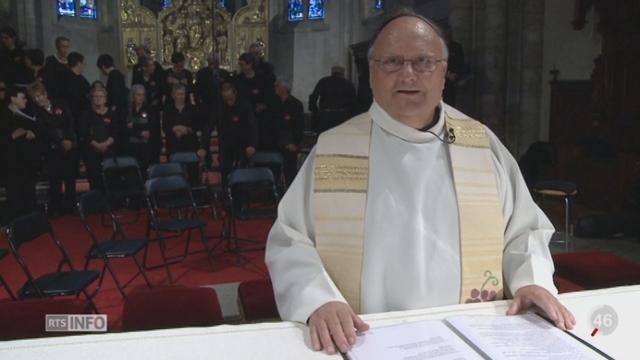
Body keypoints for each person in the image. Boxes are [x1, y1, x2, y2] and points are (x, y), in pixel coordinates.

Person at [265, 12, 575, 355]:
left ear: (443, 72)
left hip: (468, 335)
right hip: (365, 337)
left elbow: (522, 230)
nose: (407, 74)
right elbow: (290, 240)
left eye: (424, 62)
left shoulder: (482, 146)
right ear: (371, 73)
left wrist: (530, 279)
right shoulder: (334, 150)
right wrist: (318, 300)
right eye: (392, 61)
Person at [27, 81, 78, 216]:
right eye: (35, 98)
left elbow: (69, 122)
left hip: (70, 146)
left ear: (45, 94)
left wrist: (70, 141)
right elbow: (45, 130)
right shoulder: (36, 113)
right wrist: (61, 141)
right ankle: (57, 208)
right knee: (55, 179)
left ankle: (71, 206)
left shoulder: (61, 104)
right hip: (52, 149)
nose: (38, 100)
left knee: (70, 178)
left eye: (39, 96)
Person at [0, 86, 39, 220]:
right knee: (14, 192)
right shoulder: (3, 115)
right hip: (11, 162)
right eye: (23, 98)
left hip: (26, 161)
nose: (26, 101)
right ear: (12, 98)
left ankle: (31, 218)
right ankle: (16, 221)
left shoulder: (25, 114)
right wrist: (13, 136)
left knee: (28, 191)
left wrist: (31, 133)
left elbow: (34, 131)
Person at [218, 82, 258, 189]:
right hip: (225, 145)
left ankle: (240, 197)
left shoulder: (244, 105)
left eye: (228, 92)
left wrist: (252, 145)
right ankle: (226, 195)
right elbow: (210, 124)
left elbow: (252, 126)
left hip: (242, 145)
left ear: (234, 93)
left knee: (240, 174)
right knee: (225, 172)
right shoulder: (220, 106)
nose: (226, 96)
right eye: (224, 92)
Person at [80, 86, 119, 190]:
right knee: (94, 180)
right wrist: (97, 145)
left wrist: (106, 144)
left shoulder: (112, 114)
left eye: (101, 96)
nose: (98, 98)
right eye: (95, 96)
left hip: (109, 151)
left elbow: (115, 132)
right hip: (92, 152)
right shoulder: (86, 114)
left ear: (105, 99)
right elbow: (84, 134)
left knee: (110, 179)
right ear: (91, 98)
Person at [234, 52, 273, 150]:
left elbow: (270, 97)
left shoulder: (262, 79)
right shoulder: (238, 80)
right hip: (243, 117)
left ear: (250, 64)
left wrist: (264, 105)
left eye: (242, 64)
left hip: (260, 117)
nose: (241, 67)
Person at [271, 79, 304, 186]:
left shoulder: (296, 104)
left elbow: (299, 126)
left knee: (290, 171)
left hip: (290, 143)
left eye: (277, 86)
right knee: (274, 171)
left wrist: (295, 144)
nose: (275, 87)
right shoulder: (273, 102)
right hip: (274, 142)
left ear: (284, 88)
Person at [308, 65, 357, 134]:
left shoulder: (323, 81)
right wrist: (349, 115)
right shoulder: (348, 84)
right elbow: (353, 102)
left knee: (323, 137)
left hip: (325, 116)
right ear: (342, 73)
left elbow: (313, 97)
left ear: (332, 72)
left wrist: (316, 112)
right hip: (342, 116)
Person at [162, 84, 206, 158]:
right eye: (178, 94)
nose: (181, 96)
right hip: (173, 146)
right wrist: (175, 129)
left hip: (191, 145)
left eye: (182, 94)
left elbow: (198, 125)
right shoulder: (167, 110)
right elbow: (165, 127)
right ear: (173, 95)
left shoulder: (192, 109)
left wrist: (187, 129)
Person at [125, 84, 160, 173]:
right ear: (133, 96)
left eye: (142, 95)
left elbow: (152, 125)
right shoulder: (127, 110)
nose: (141, 97)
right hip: (131, 146)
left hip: (146, 147)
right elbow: (125, 128)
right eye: (138, 95)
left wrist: (135, 125)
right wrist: (140, 133)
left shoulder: (149, 109)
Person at [195, 52, 230, 133]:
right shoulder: (202, 73)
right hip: (207, 106)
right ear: (208, 62)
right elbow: (197, 90)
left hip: (222, 105)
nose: (214, 64)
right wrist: (198, 104)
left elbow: (229, 87)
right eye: (212, 62)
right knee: (206, 130)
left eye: (216, 62)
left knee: (223, 130)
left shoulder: (224, 73)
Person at [60, 52, 90, 132]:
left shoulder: (81, 78)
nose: (85, 65)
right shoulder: (66, 77)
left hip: (82, 114)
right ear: (78, 63)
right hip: (73, 116)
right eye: (83, 63)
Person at [97, 54, 129, 125]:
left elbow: (115, 95)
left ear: (103, 66)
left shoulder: (113, 75)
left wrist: (111, 111)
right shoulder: (117, 74)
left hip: (118, 111)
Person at [442, 27, 465, 106]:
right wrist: (445, 74)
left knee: (450, 102)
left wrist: (455, 75)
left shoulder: (456, 47)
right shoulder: (437, 46)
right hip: (440, 78)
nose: (447, 35)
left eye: (449, 33)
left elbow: (460, 63)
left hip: (452, 80)